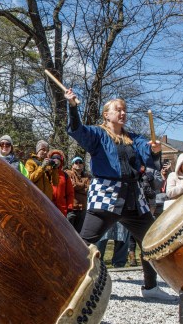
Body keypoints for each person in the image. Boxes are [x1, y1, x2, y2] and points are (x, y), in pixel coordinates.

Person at [65, 90, 173, 301]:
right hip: (106, 196)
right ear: (106, 114)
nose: (123, 113)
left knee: (150, 241)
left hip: (133, 198)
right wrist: (72, 107)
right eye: (118, 109)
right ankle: (68, 286)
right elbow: (77, 130)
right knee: (85, 243)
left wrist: (155, 150)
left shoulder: (133, 138)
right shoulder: (97, 134)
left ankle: (151, 287)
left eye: (124, 110)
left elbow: (147, 153)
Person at [65, 156, 90, 233]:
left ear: (83, 165)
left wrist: (78, 186)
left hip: (82, 209)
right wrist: (83, 185)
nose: (78, 164)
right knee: (68, 232)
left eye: (80, 162)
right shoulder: (69, 173)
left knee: (79, 234)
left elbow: (87, 189)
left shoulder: (87, 176)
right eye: (76, 162)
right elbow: (72, 186)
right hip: (71, 209)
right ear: (72, 165)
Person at [47, 149, 74, 217]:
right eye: (53, 158)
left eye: (58, 158)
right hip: (48, 207)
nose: (56, 160)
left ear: (61, 161)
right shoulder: (47, 172)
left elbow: (70, 193)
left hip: (62, 209)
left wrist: (70, 207)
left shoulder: (65, 175)